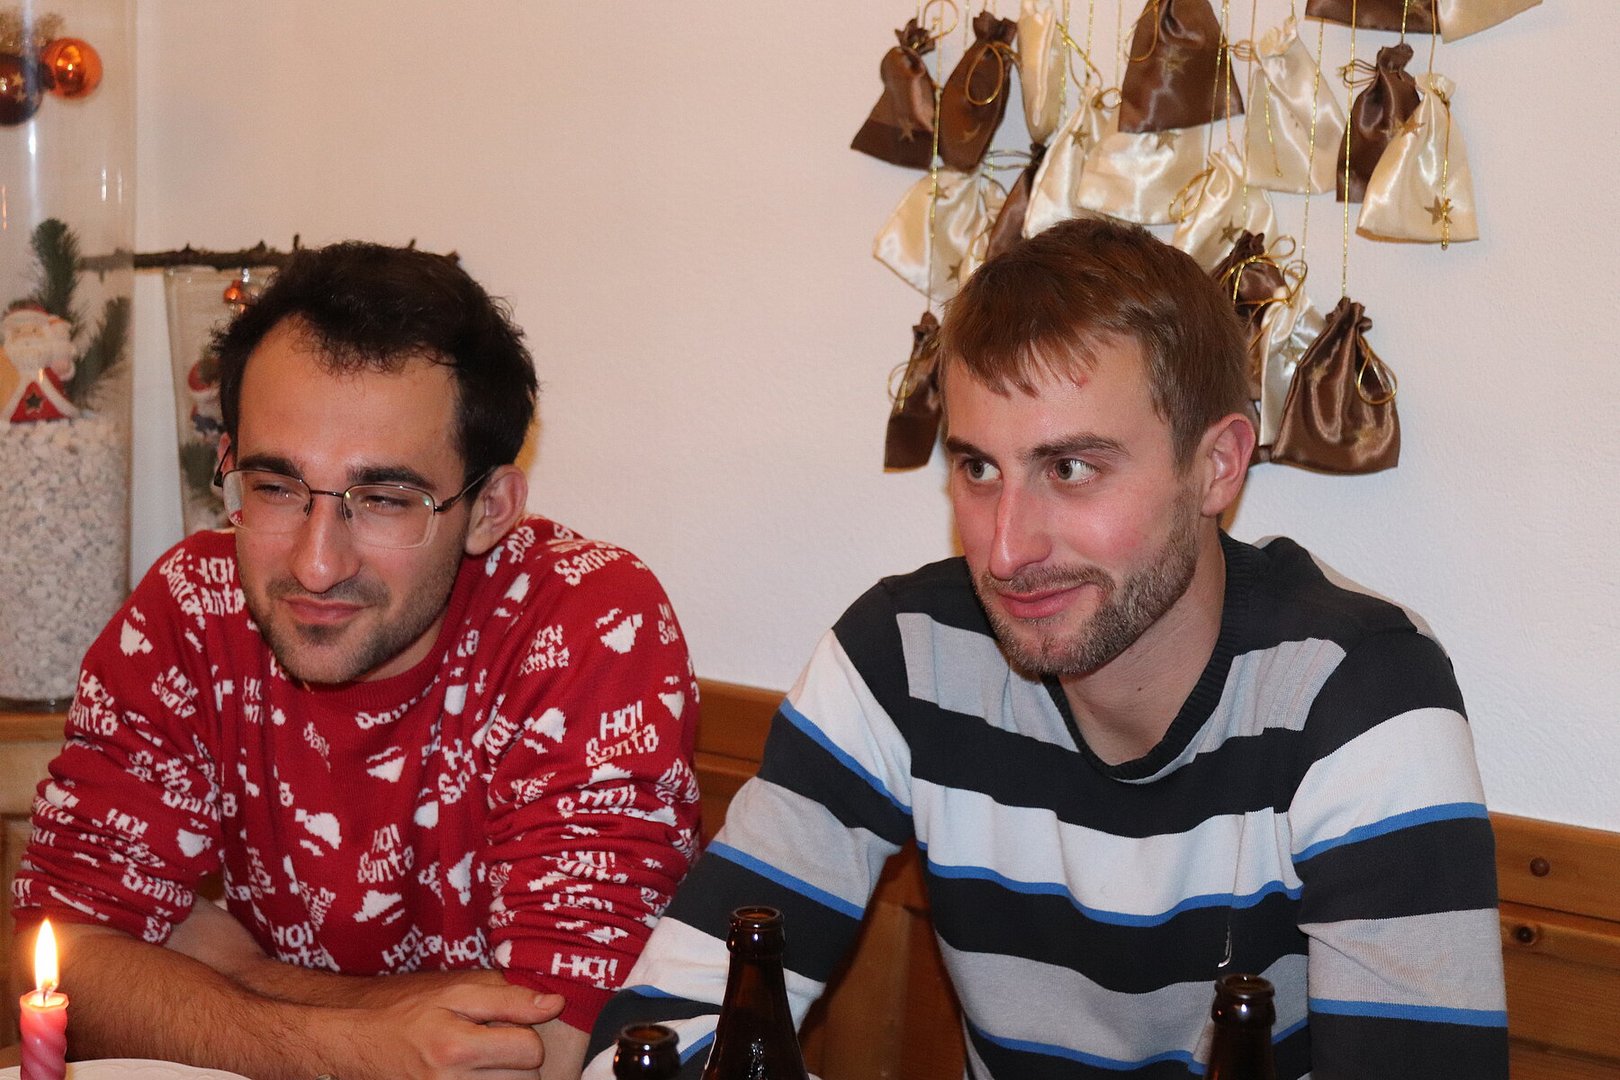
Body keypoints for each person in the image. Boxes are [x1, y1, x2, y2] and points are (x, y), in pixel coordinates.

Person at [582, 219, 1506, 1079]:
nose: (1005, 549)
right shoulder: (904, 656)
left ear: (1217, 465)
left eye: (1070, 468)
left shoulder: (1359, 692)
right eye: (978, 468)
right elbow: (659, 1031)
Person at [11, 242, 702, 1080]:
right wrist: (356, 1045)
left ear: (490, 508)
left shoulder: (587, 622)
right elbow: (63, 960)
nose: (315, 565)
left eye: (383, 500)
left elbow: (552, 1045)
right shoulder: (193, 608)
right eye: (275, 487)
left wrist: (233, 973)